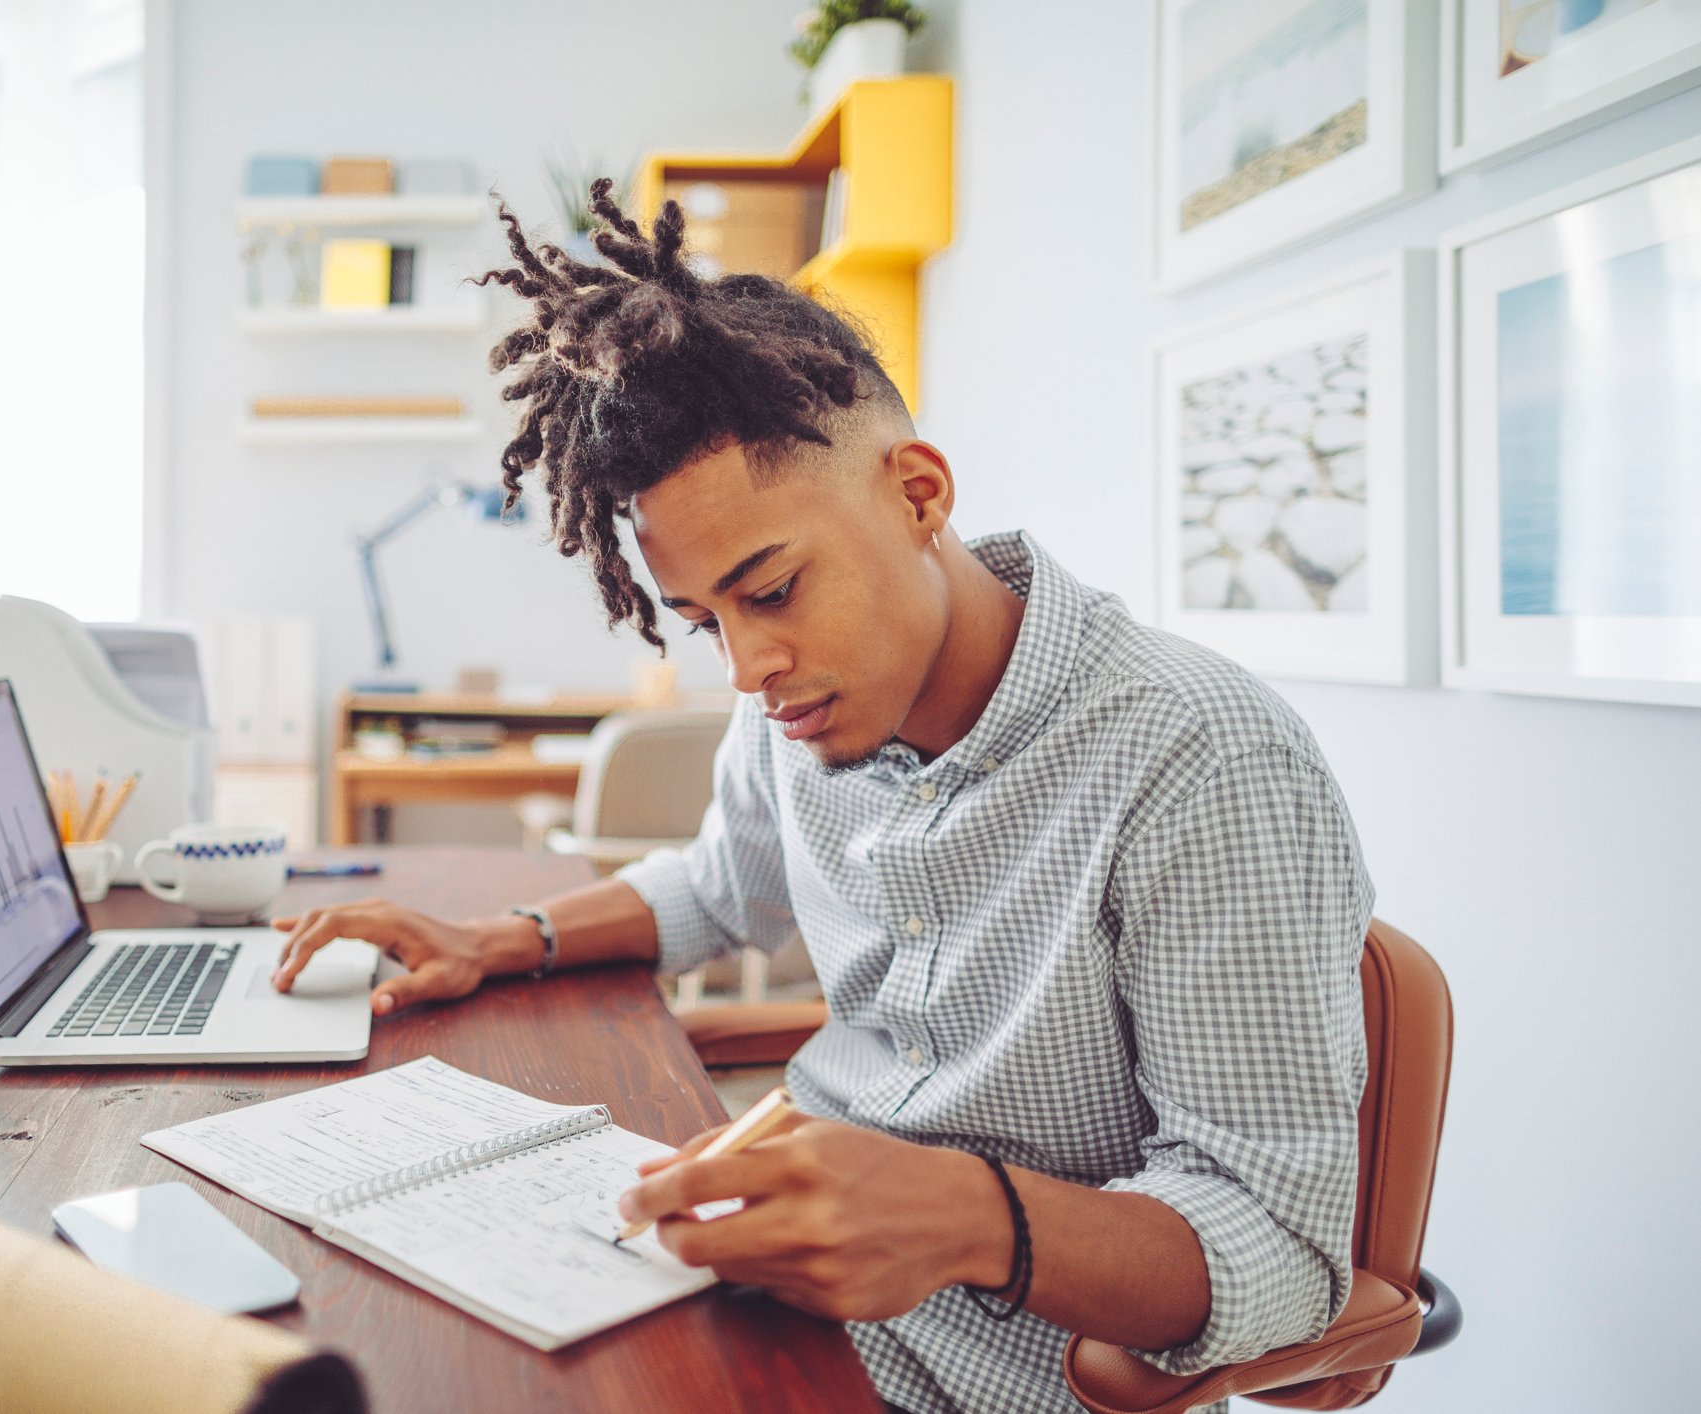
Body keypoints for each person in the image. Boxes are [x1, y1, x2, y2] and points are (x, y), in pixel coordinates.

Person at [272, 182, 1371, 1414]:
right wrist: (500, 939)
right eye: (705, 623)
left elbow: (1284, 1256)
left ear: (918, 493)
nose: (746, 671)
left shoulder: (1202, 759)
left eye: (775, 590)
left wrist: (973, 1219)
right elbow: (712, 889)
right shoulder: (798, 708)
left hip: (994, 1374)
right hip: (773, 1307)